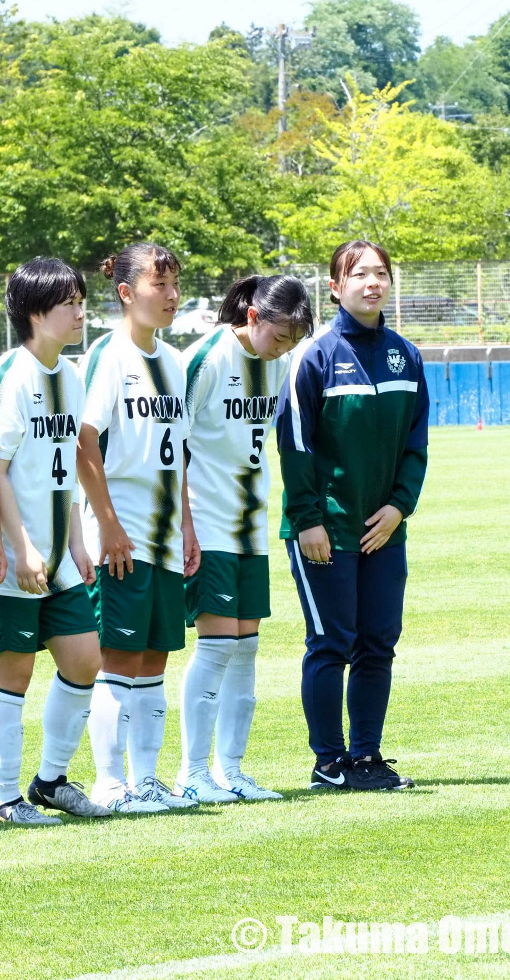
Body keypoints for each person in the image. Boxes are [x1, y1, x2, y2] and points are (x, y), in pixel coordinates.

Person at [275, 240, 428, 792]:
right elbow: (294, 444)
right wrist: (308, 517)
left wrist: (398, 507)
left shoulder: (406, 355)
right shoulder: (312, 355)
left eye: (381, 273)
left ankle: (366, 757)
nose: (372, 282)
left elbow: (416, 445)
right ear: (335, 287)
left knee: (378, 641)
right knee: (332, 641)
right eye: (358, 274)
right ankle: (328, 761)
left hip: (383, 529)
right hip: (326, 529)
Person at [0, 259, 109, 825]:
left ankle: (50, 782)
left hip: (58, 555)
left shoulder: (72, 376)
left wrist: (77, 540)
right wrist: (19, 545)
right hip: (16, 554)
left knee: (85, 660)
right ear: (36, 313)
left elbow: (65, 471)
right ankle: (5, 798)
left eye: (82, 301)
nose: (82, 313)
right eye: (69, 303)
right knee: (12, 675)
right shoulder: (11, 375)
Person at [174, 274, 312, 804]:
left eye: (293, 343)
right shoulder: (205, 360)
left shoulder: (277, 363)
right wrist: (184, 522)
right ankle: (193, 773)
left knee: (246, 647)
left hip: (249, 522)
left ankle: (231, 770)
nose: (283, 350)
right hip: (207, 520)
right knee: (215, 646)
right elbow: (174, 443)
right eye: (278, 338)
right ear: (253, 317)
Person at [79, 242, 201, 815]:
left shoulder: (174, 362)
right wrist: (107, 525)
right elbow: (85, 443)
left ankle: (146, 781)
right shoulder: (108, 357)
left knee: (154, 658)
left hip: (166, 536)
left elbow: (175, 454)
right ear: (127, 293)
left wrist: (189, 526)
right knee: (118, 659)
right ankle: (109, 782)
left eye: (175, 284)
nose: (171, 295)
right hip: (121, 536)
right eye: (160, 284)